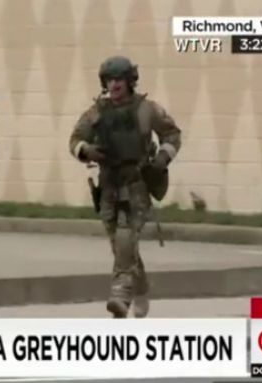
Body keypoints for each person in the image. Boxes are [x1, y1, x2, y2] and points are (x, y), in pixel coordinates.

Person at [69, 56, 181, 318]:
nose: (114, 84)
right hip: (108, 186)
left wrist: (162, 158)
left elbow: (172, 134)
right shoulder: (96, 112)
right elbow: (75, 139)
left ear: (130, 80)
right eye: (109, 80)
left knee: (126, 241)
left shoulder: (147, 110)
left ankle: (120, 297)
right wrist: (86, 150)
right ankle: (140, 290)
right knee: (121, 247)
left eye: (119, 79)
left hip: (136, 186)